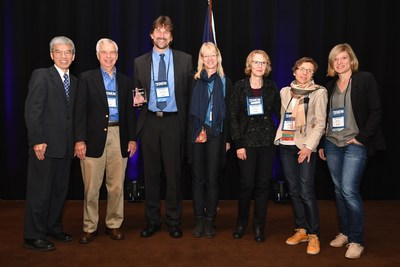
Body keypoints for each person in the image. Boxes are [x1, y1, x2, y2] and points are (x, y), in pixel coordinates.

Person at [318, 43, 385, 259]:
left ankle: (357, 240)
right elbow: (324, 118)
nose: (339, 62)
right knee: (338, 190)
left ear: (351, 60)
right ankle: (345, 232)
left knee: (349, 189)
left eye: (343, 58)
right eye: (335, 59)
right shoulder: (329, 86)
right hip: (332, 143)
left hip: (354, 144)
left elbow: (376, 111)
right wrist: (321, 144)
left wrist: (361, 138)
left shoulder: (365, 79)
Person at [133, 15, 193, 239]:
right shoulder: (139, 62)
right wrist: (137, 100)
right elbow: (138, 92)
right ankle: (152, 221)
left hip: (173, 123)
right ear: (151, 35)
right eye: (158, 31)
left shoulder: (185, 60)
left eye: (165, 31)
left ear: (171, 37)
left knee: (174, 175)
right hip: (149, 122)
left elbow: (189, 95)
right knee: (151, 175)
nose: (161, 35)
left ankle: (174, 221)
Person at [74, 38, 137, 244]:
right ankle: (89, 226)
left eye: (112, 53)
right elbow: (79, 112)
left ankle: (114, 224)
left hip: (119, 136)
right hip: (92, 139)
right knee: (91, 188)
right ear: (97, 55)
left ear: (117, 56)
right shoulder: (86, 78)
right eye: (104, 52)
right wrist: (79, 140)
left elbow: (129, 113)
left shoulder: (126, 81)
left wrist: (132, 139)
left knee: (116, 186)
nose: (109, 56)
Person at [24, 36, 76, 251]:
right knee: (40, 192)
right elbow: (32, 111)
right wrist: (37, 140)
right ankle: (33, 235)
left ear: (73, 56)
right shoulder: (41, 75)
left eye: (68, 52)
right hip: (44, 146)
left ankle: (53, 227)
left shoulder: (74, 81)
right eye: (59, 52)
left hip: (65, 147)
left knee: (59, 192)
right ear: (51, 54)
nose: (64, 56)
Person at [274, 57, 328, 255]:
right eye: (301, 69)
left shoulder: (319, 92)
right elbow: (282, 115)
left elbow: (321, 123)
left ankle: (314, 234)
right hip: (285, 145)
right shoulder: (284, 92)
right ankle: (302, 229)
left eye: (309, 71)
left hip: (305, 147)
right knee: (294, 190)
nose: (304, 73)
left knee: (306, 191)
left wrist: (308, 147)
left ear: (313, 75)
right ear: (294, 71)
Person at [230, 50, 281, 242]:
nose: (260, 66)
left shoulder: (271, 87)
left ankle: (259, 226)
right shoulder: (239, 86)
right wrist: (238, 144)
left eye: (263, 63)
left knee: (262, 186)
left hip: (267, 142)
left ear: (267, 66)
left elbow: (281, 112)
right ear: (249, 65)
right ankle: (241, 223)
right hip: (246, 143)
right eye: (256, 62)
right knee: (247, 185)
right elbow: (233, 118)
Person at [188, 42, 232, 238]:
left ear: (218, 57)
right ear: (201, 59)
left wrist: (228, 139)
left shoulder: (225, 82)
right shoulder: (194, 80)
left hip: (216, 133)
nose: (210, 59)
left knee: (213, 179)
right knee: (198, 179)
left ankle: (210, 220)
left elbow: (230, 114)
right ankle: (198, 218)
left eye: (212, 55)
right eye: (205, 55)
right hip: (198, 132)